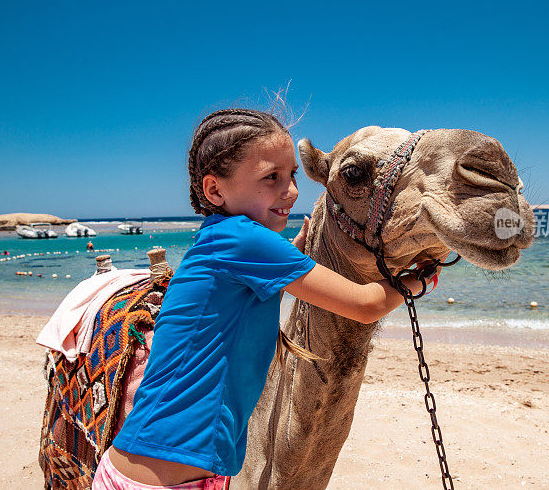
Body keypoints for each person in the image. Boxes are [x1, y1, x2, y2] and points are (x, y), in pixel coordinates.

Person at [93, 109, 440, 489]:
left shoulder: (221, 238)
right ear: (214, 190)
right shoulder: (245, 239)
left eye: (292, 174)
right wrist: (421, 278)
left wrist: (290, 253)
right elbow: (365, 304)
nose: (290, 190)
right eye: (270, 177)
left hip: (162, 470)